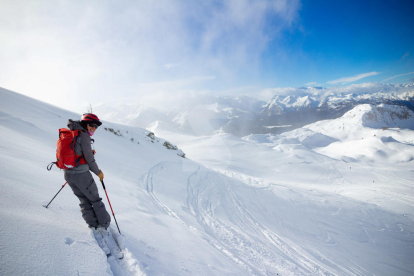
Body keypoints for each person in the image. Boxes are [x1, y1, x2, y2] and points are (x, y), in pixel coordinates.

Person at [64, 113, 111, 230]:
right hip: (82, 175)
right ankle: (105, 223)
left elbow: (75, 152)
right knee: (95, 199)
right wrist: (98, 173)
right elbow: (90, 160)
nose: (94, 128)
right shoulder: (84, 135)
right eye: (91, 125)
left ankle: (92, 223)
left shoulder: (72, 132)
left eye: (96, 126)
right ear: (85, 123)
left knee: (83, 199)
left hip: (68, 174)